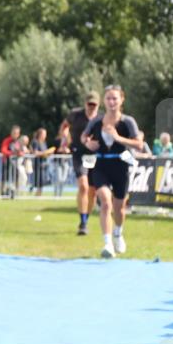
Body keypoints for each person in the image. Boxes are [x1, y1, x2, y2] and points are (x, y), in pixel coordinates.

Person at [82, 84, 144, 258]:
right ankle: (107, 243)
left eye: (115, 98)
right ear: (104, 101)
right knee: (105, 202)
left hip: (121, 165)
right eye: (108, 98)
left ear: (121, 100)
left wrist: (118, 138)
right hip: (101, 164)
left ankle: (118, 232)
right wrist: (87, 143)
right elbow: (83, 136)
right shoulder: (96, 121)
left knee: (119, 208)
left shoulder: (128, 121)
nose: (111, 102)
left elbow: (139, 144)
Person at [66, 92, 101, 235]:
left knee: (92, 191)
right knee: (83, 186)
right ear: (85, 103)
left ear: (98, 105)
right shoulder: (75, 114)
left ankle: (86, 217)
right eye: (89, 104)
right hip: (79, 153)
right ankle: (83, 223)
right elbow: (64, 126)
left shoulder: (102, 118)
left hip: (94, 156)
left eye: (94, 105)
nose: (91, 107)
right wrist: (65, 138)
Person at [29, 127, 52, 196]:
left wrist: (48, 153)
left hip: (44, 164)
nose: (45, 136)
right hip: (37, 164)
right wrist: (44, 153)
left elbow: (45, 152)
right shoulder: (35, 141)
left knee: (42, 182)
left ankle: (38, 195)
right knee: (39, 182)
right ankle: (35, 193)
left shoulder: (44, 142)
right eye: (44, 134)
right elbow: (35, 152)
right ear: (40, 134)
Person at [0, 125, 21, 196]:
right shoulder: (7, 140)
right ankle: (2, 192)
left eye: (17, 133)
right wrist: (12, 153)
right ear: (11, 133)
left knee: (16, 177)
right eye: (14, 133)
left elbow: (21, 151)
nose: (15, 135)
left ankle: (15, 192)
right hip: (6, 162)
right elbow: (3, 150)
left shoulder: (18, 142)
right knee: (4, 178)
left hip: (15, 163)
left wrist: (20, 153)